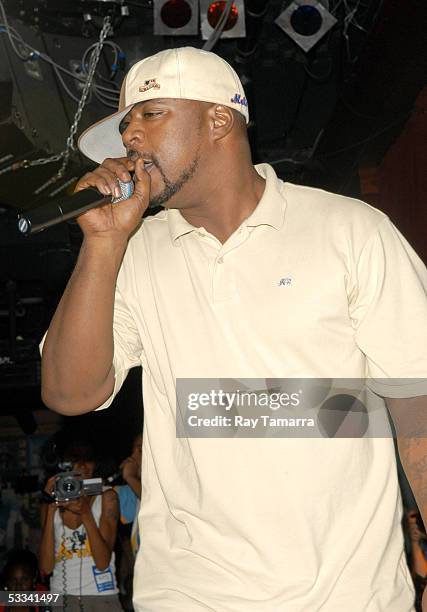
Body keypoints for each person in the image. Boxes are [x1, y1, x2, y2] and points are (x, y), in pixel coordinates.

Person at [40, 46, 427, 611]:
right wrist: (102, 243)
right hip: (189, 595)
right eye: (125, 127)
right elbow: (69, 393)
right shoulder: (132, 253)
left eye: (150, 115)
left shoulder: (350, 231)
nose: (131, 139)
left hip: (350, 594)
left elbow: (416, 406)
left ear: (219, 119)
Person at [38, 441, 122, 611]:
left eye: (88, 460)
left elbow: (102, 562)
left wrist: (86, 514)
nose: (83, 466)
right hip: (61, 597)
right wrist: (50, 504)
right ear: (64, 465)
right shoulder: (51, 501)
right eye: (76, 460)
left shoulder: (107, 496)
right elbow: (46, 568)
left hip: (100, 597)